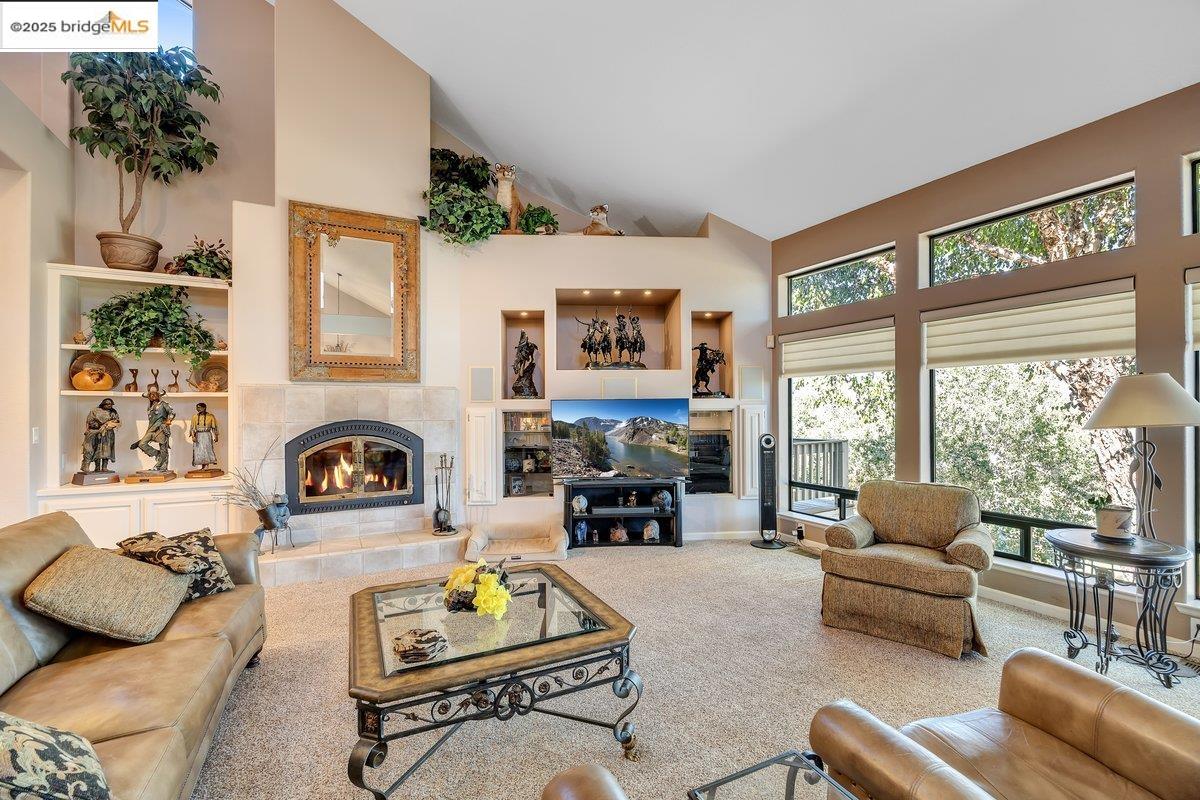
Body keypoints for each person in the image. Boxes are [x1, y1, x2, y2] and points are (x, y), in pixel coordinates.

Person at [131, 388, 175, 472]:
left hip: (162, 428)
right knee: (142, 444)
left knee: (163, 448)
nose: (153, 396)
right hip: (151, 429)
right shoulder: (150, 407)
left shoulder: (163, 404)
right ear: (149, 397)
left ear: (158, 395)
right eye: (151, 394)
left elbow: (172, 413)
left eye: (155, 394)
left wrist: (168, 421)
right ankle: (158, 454)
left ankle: (160, 466)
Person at [81, 398, 120, 472]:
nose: (109, 406)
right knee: (97, 450)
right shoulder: (95, 411)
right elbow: (89, 421)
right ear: (103, 404)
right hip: (97, 432)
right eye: (108, 404)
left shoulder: (113, 412)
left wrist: (110, 424)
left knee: (107, 451)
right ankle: (97, 467)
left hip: (108, 434)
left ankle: (104, 467)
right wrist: (97, 426)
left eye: (111, 404)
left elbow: (117, 421)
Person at [188, 402, 220, 469]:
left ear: (204, 408)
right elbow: (192, 428)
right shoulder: (195, 417)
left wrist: (216, 436)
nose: (198, 409)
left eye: (199, 407)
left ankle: (206, 466)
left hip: (207, 435)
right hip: (198, 435)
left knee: (207, 449)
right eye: (197, 408)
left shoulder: (210, 416)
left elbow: (214, 427)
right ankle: (202, 466)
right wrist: (193, 436)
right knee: (199, 450)